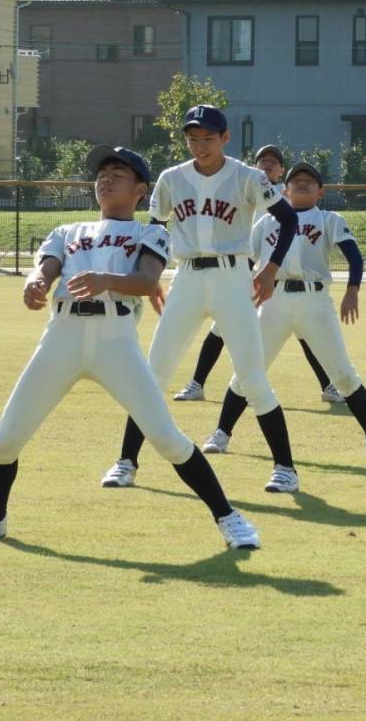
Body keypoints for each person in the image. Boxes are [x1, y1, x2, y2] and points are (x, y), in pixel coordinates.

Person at [0, 145, 261, 549]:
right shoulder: (68, 231)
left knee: (166, 437)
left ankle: (229, 517)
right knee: (6, 440)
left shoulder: (150, 233)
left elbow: (147, 282)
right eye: (102, 173)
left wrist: (104, 280)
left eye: (118, 174)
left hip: (115, 338)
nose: (106, 179)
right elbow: (46, 269)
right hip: (62, 335)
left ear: (140, 191)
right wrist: (35, 283)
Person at [101, 106, 303, 494]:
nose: (200, 145)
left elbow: (288, 219)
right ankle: (126, 462)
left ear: (225, 138)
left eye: (208, 138)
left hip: (233, 277)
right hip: (188, 277)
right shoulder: (171, 178)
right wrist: (150, 275)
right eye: (193, 138)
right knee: (153, 373)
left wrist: (270, 268)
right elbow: (156, 230)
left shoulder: (248, 176)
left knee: (252, 378)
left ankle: (285, 469)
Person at [201, 161, 366, 460]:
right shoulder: (266, 223)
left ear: (320, 192)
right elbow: (246, 262)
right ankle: (221, 434)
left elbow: (354, 257)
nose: (302, 183)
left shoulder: (329, 219)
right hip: (273, 301)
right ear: (285, 191)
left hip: (315, 302)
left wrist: (352, 290)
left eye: (309, 181)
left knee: (343, 374)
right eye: (295, 181)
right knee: (248, 371)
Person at [172, 143, 343, 405]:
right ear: (255, 166)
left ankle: (328, 385)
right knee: (220, 328)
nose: (268, 164)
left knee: (306, 332)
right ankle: (197, 384)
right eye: (263, 160)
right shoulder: (243, 187)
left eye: (274, 162)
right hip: (244, 270)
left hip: (277, 276)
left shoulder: (283, 197)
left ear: (281, 171)